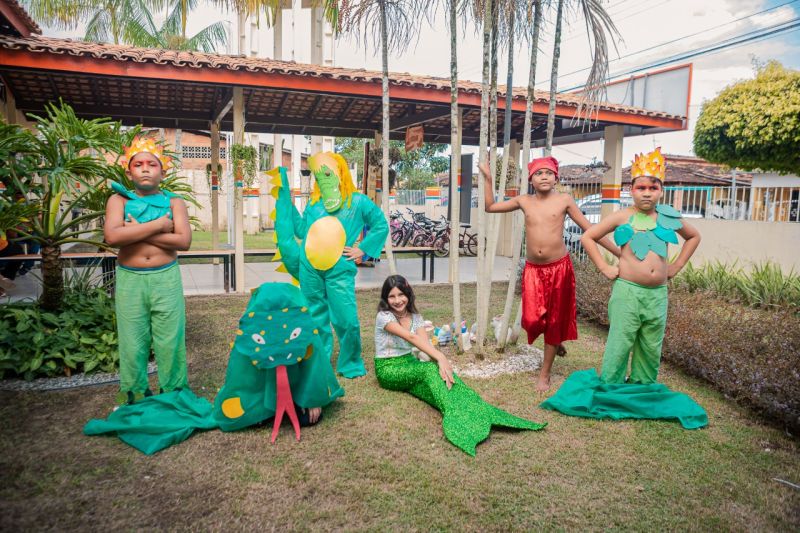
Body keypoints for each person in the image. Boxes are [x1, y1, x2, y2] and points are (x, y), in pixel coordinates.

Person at [540, 148, 708, 429]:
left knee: (650, 342)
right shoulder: (622, 217)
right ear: (631, 190)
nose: (647, 193)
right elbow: (588, 237)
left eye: (653, 187)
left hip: (657, 295)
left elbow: (693, 236)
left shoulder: (666, 217)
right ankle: (612, 385)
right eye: (641, 187)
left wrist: (675, 267)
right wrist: (606, 268)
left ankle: (643, 386)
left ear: (661, 191)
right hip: (628, 291)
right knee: (621, 339)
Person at [481, 155, 619, 391]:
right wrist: (488, 178)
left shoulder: (564, 200)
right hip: (533, 270)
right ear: (531, 180)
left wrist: (618, 252)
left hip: (559, 269)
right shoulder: (524, 201)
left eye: (548, 173)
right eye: (538, 173)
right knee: (533, 319)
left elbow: (590, 229)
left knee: (554, 320)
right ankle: (556, 341)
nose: (543, 177)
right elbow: (491, 207)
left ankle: (545, 373)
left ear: (555, 177)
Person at [373, 275, 546, 456]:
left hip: (410, 365)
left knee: (440, 380)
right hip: (388, 369)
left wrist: (442, 366)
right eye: (391, 296)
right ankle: (457, 418)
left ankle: (480, 410)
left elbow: (425, 346)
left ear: (408, 294)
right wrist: (440, 358)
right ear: (386, 298)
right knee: (429, 369)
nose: (397, 300)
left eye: (401, 294)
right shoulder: (384, 316)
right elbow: (412, 338)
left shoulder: (415, 317)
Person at [272, 153, 388, 379]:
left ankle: (351, 362)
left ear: (339, 172)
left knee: (346, 317)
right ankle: (318, 359)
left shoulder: (357, 201)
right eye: (318, 174)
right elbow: (300, 230)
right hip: (309, 268)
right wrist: (287, 200)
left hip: (339, 268)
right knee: (314, 315)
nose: (322, 178)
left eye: (326, 173)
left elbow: (380, 224)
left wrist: (362, 250)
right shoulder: (314, 204)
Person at [103, 137, 192, 405]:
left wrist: (134, 231)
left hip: (166, 277)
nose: (145, 168)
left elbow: (183, 242)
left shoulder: (175, 202)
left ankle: (174, 393)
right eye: (138, 164)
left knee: (170, 338)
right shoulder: (117, 200)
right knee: (133, 339)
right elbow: (112, 237)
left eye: (151, 164)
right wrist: (158, 226)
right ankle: (135, 394)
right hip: (130, 279)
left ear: (162, 172)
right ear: (128, 172)